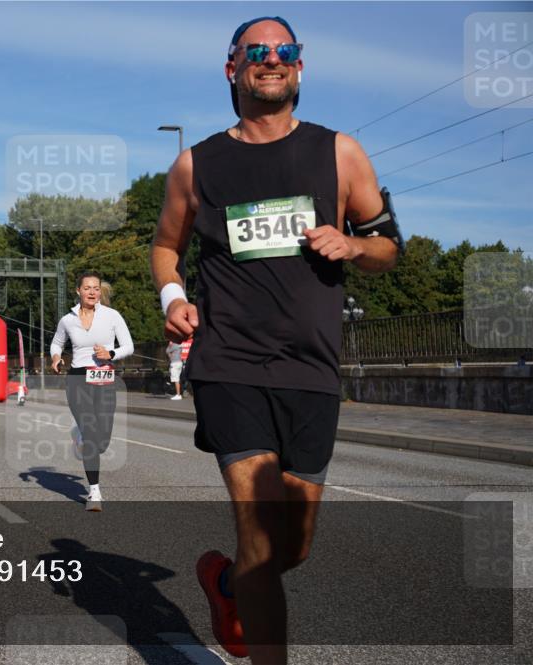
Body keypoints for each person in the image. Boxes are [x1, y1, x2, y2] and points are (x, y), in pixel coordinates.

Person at [150, 16, 401, 663]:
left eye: (283, 50)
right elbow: (165, 247)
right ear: (231, 68)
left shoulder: (339, 154)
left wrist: (354, 244)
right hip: (229, 362)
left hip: (311, 371)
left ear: (300, 65)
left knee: (293, 545)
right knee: (261, 530)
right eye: (255, 51)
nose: (271, 59)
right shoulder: (196, 163)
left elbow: (387, 243)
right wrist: (173, 296)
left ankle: (228, 581)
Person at [50, 271, 134, 511]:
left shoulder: (112, 316)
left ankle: (78, 435)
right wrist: (56, 357)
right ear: (78, 291)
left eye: (96, 288)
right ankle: (94, 491)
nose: (92, 292)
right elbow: (57, 342)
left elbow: (129, 345)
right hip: (78, 379)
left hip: (105, 379)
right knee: (91, 436)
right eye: (87, 288)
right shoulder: (68, 319)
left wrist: (111, 354)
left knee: (103, 441)